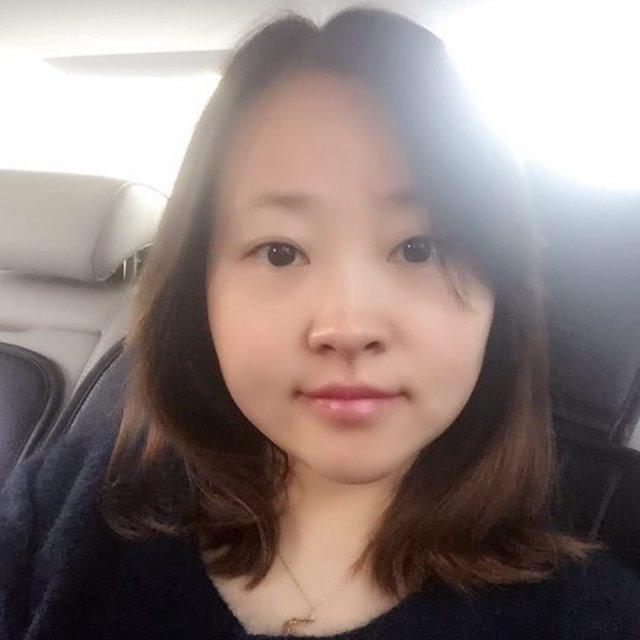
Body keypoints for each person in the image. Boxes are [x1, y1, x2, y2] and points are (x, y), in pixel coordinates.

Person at [1, 6, 639, 640]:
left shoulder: (591, 616)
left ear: (500, 297)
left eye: (420, 248)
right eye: (280, 251)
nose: (348, 325)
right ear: (200, 293)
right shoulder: (65, 509)